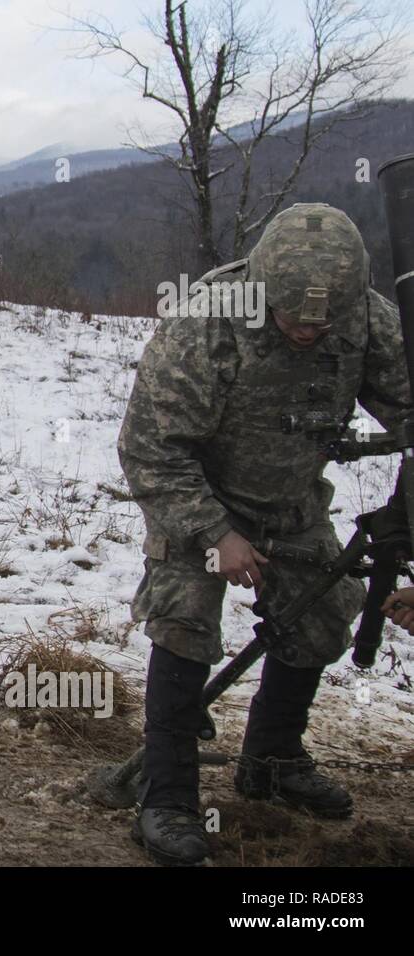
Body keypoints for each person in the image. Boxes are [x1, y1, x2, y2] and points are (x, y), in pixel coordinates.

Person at [118, 203, 410, 864]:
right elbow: (151, 451)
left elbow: (408, 407)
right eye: (293, 318)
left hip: (290, 500)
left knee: (320, 622)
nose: (310, 331)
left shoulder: (364, 321)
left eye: (324, 320)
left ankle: (272, 759)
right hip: (198, 495)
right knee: (183, 619)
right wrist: (216, 533)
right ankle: (166, 798)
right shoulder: (207, 324)